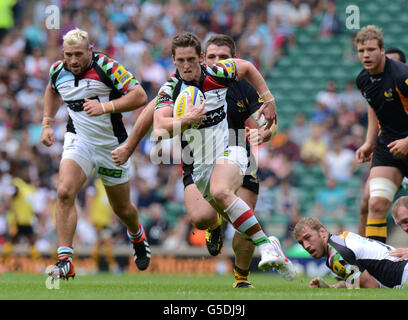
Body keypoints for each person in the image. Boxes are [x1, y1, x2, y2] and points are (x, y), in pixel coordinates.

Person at [153, 31, 295, 280]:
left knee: (223, 192)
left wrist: (269, 100)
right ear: (174, 60)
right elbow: (158, 127)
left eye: (191, 59)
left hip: (234, 147)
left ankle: (249, 268)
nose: (187, 65)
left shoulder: (221, 74)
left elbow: (249, 68)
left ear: (200, 57)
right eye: (181, 60)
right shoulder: (171, 89)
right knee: (202, 217)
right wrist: (187, 119)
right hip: (199, 163)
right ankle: (264, 242)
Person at [40, 28, 150, 279]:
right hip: (79, 140)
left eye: (79, 54)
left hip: (113, 147)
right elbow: (51, 90)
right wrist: (47, 122)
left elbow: (140, 96)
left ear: (90, 50)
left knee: (122, 208)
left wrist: (105, 107)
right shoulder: (58, 69)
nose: (74, 60)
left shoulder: (108, 67)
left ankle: (137, 234)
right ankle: (65, 260)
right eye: (69, 55)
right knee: (65, 191)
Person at [184, 34, 277, 288]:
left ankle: (241, 279)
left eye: (223, 57)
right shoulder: (188, 85)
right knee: (201, 218)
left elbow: (268, 124)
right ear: (203, 58)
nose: (217, 61)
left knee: (245, 220)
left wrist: (265, 132)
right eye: (211, 56)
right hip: (200, 156)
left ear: (233, 59)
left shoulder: (242, 87)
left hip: (238, 151)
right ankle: (214, 223)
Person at [355, 25, 408, 243]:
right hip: (388, 146)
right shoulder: (363, 80)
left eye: (370, 50)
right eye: (361, 51)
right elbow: (374, 108)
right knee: (374, 204)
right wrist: (369, 142)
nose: (366, 55)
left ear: (382, 49)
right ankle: (375, 271)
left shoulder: (402, 76)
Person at [293, 217, 408, 289]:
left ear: (322, 232)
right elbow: (360, 282)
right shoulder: (341, 238)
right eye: (301, 243)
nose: (306, 246)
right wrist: (332, 287)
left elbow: (372, 289)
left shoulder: (336, 256)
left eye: (308, 238)